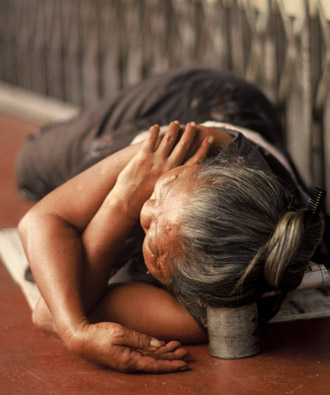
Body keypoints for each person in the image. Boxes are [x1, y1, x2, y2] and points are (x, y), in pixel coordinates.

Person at [16, 67, 327, 374]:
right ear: (207, 171)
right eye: (165, 190)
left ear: (179, 285)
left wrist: (120, 203)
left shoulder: (208, 313)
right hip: (197, 99)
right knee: (29, 168)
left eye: (157, 251)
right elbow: (42, 219)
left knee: (47, 197)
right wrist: (121, 200)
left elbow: (48, 312)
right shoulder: (193, 147)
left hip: (154, 179)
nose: (145, 212)